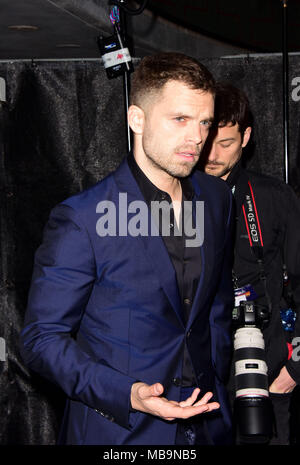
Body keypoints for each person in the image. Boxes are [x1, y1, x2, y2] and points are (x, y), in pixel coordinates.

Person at [20, 53, 234, 446]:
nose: (197, 138)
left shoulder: (216, 197)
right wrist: (129, 394)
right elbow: (42, 340)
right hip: (120, 433)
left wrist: (219, 375)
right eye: (180, 119)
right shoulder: (83, 218)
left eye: (204, 122)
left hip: (207, 427)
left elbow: (216, 303)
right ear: (137, 119)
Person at [202, 82, 300, 445]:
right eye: (206, 140)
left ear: (246, 137)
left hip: (266, 372)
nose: (211, 154)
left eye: (225, 143)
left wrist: (294, 368)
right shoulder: (173, 198)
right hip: (198, 380)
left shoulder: (273, 197)